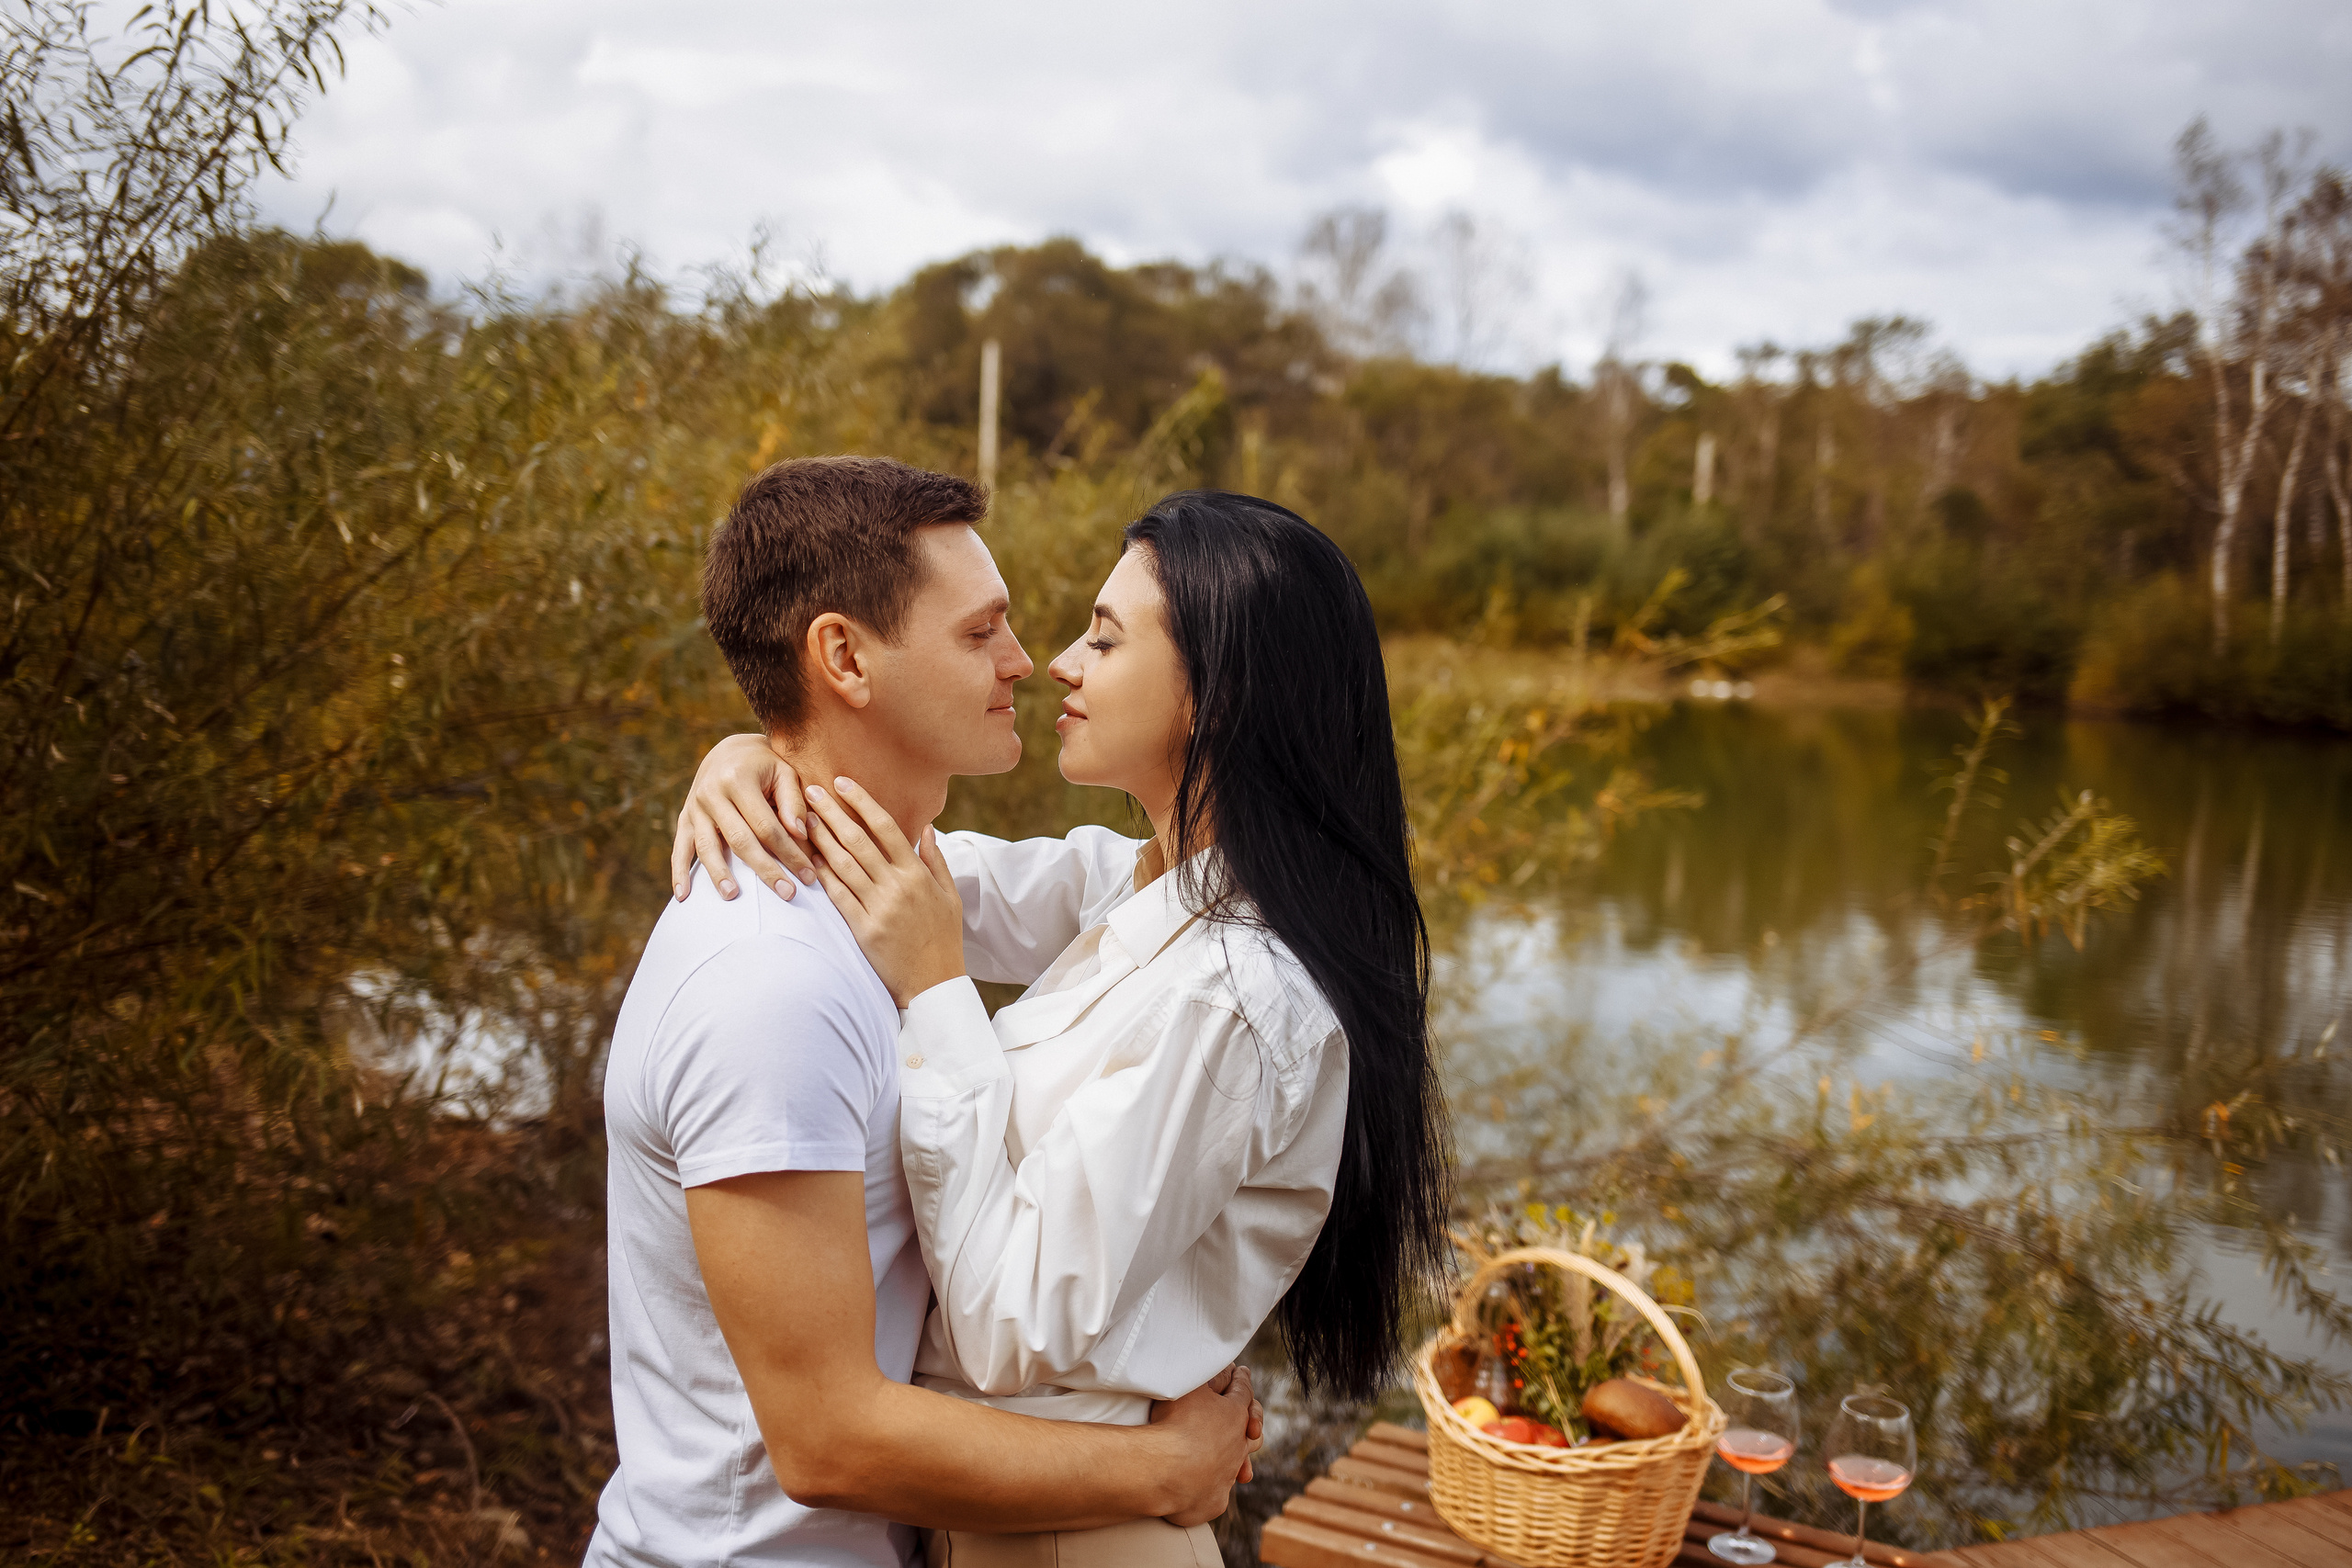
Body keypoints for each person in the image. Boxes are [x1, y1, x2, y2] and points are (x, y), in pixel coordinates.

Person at [673, 489, 1452, 1567]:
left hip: (1071, 1535)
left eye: (1104, 636)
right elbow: (896, 861)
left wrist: (939, 994)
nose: (1056, 665)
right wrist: (754, 759)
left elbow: (1006, 1329)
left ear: (1217, 696)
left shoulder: (1234, 996)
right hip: (1009, 1511)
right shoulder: (1137, 890)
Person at [588, 457, 1260, 1568]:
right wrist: (1159, 1470)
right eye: (978, 633)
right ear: (844, 657)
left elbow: (1146, 892)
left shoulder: (888, 885)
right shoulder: (770, 986)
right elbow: (827, 1441)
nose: (1022, 662)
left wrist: (751, 746)